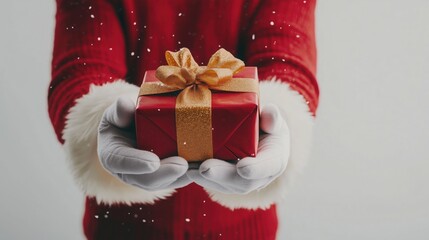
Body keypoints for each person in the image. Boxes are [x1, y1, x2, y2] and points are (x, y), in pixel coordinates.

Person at [48, 0, 319, 239]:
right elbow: (82, 65)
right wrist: (96, 118)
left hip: (245, 227)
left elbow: (285, 56)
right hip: (122, 226)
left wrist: (282, 114)